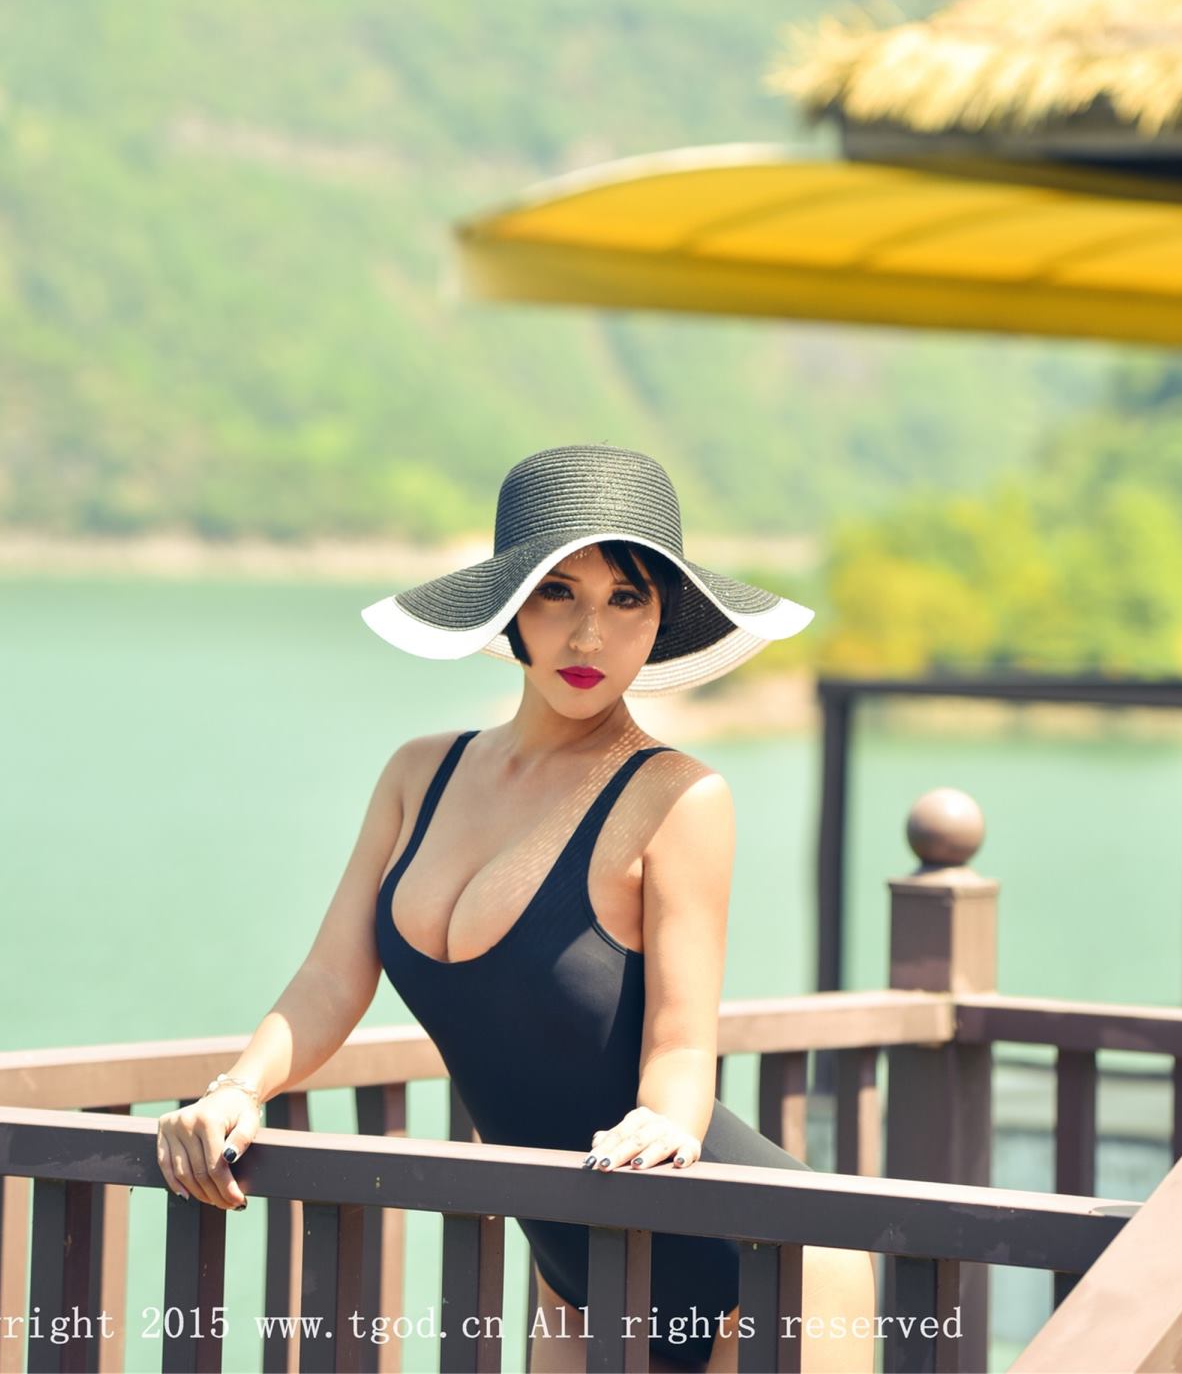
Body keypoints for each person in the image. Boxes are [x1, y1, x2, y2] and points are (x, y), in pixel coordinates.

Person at [158, 444, 876, 1372]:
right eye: (556, 593)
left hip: (762, 1263)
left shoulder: (679, 797)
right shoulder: (419, 774)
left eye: (626, 599)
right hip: (572, 1260)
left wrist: (664, 1119)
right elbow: (332, 977)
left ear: (661, 617)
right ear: (510, 605)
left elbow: (682, 1041)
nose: (589, 638)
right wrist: (237, 1091)